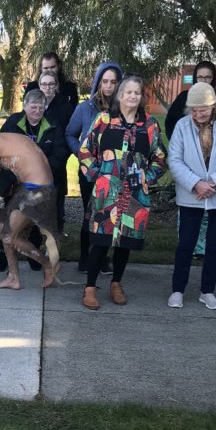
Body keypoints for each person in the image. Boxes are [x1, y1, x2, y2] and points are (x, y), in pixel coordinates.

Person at [78, 75, 166, 310]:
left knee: (125, 242)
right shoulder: (104, 120)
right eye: (128, 92)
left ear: (141, 97)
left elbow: (159, 158)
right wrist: (97, 174)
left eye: (137, 93)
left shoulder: (149, 125)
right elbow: (85, 151)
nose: (132, 96)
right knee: (100, 241)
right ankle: (89, 288)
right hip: (106, 193)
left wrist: (147, 178)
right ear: (119, 95)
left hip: (135, 194)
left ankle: (116, 283)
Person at [167, 82, 216, 310]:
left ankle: (207, 291)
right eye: (193, 109)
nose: (197, 114)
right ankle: (177, 290)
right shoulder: (183, 126)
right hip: (191, 195)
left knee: (214, 247)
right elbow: (175, 160)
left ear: (213, 105)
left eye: (202, 109)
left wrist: (215, 182)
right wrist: (196, 184)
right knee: (185, 245)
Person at [0, 116, 60, 290]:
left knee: (10, 237)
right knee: (4, 227)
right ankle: (13, 277)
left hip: (36, 191)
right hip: (41, 187)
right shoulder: (15, 137)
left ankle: (48, 264)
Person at [165, 60, 216, 261]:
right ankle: (190, 247)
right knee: (191, 209)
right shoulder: (184, 98)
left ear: (214, 78)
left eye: (208, 77)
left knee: (212, 212)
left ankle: (206, 249)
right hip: (190, 162)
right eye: (200, 77)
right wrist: (181, 146)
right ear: (195, 77)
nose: (204, 80)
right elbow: (172, 124)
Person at [0, 89, 69, 271]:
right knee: (10, 221)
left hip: (40, 184)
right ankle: (3, 256)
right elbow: (0, 150)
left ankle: (33, 256)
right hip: (14, 182)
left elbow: (60, 154)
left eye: (40, 107)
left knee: (36, 222)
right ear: (25, 106)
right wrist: (18, 173)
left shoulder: (53, 125)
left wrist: (39, 173)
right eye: (33, 106)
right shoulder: (13, 122)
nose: (37, 110)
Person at [66, 61, 123, 272]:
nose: (108, 86)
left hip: (114, 173)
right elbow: (69, 134)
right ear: (98, 83)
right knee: (90, 214)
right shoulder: (85, 108)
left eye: (113, 82)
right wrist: (81, 154)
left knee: (110, 216)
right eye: (104, 81)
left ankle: (102, 258)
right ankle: (84, 257)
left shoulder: (122, 110)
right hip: (90, 172)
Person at [36, 71, 73, 231]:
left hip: (56, 161)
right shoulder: (34, 104)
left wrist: (57, 160)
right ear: (39, 86)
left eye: (51, 84)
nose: (47, 88)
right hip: (35, 162)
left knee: (56, 206)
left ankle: (54, 241)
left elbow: (69, 134)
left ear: (56, 86)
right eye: (44, 84)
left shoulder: (66, 108)